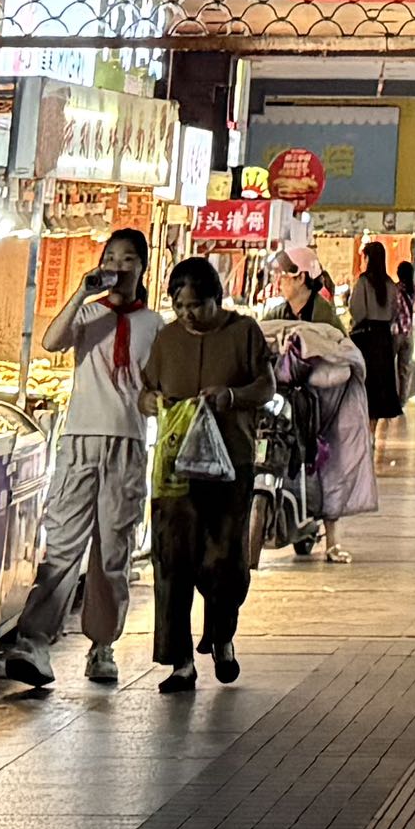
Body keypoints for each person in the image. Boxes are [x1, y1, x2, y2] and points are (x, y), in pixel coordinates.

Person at [27, 224, 157, 690]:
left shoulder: (155, 325)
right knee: (63, 542)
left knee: (113, 549)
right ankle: (34, 641)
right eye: (111, 258)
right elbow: (51, 341)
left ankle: (102, 645)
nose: (118, 267)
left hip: (127, 442)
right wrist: (82, 293)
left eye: (128, 259)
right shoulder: (87, 313)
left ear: (142, 267)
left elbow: (156, 384)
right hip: (81, 437)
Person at [143, 255, 271, 691]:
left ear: (216, 298)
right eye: (179, 306)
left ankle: (222, 636)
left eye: (196, 305)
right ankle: (180, 661)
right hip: (176, 470)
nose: (188, 314)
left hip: (231, 464)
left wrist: (232, 396)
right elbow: (147, 390)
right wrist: (151, 403)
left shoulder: (244, 332)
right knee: (172, 560)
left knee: (224, 559)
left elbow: (266, 386)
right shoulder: (167, 339)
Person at [345, 241, 404, 436]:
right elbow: (394, 312)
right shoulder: (390, 284)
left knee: (365, 383)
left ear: (368, 258)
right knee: (380, 386)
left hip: (366, 338)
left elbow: (357, 310)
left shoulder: (363, 282)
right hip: (384, 338)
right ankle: (373, 431)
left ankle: (365, 432)